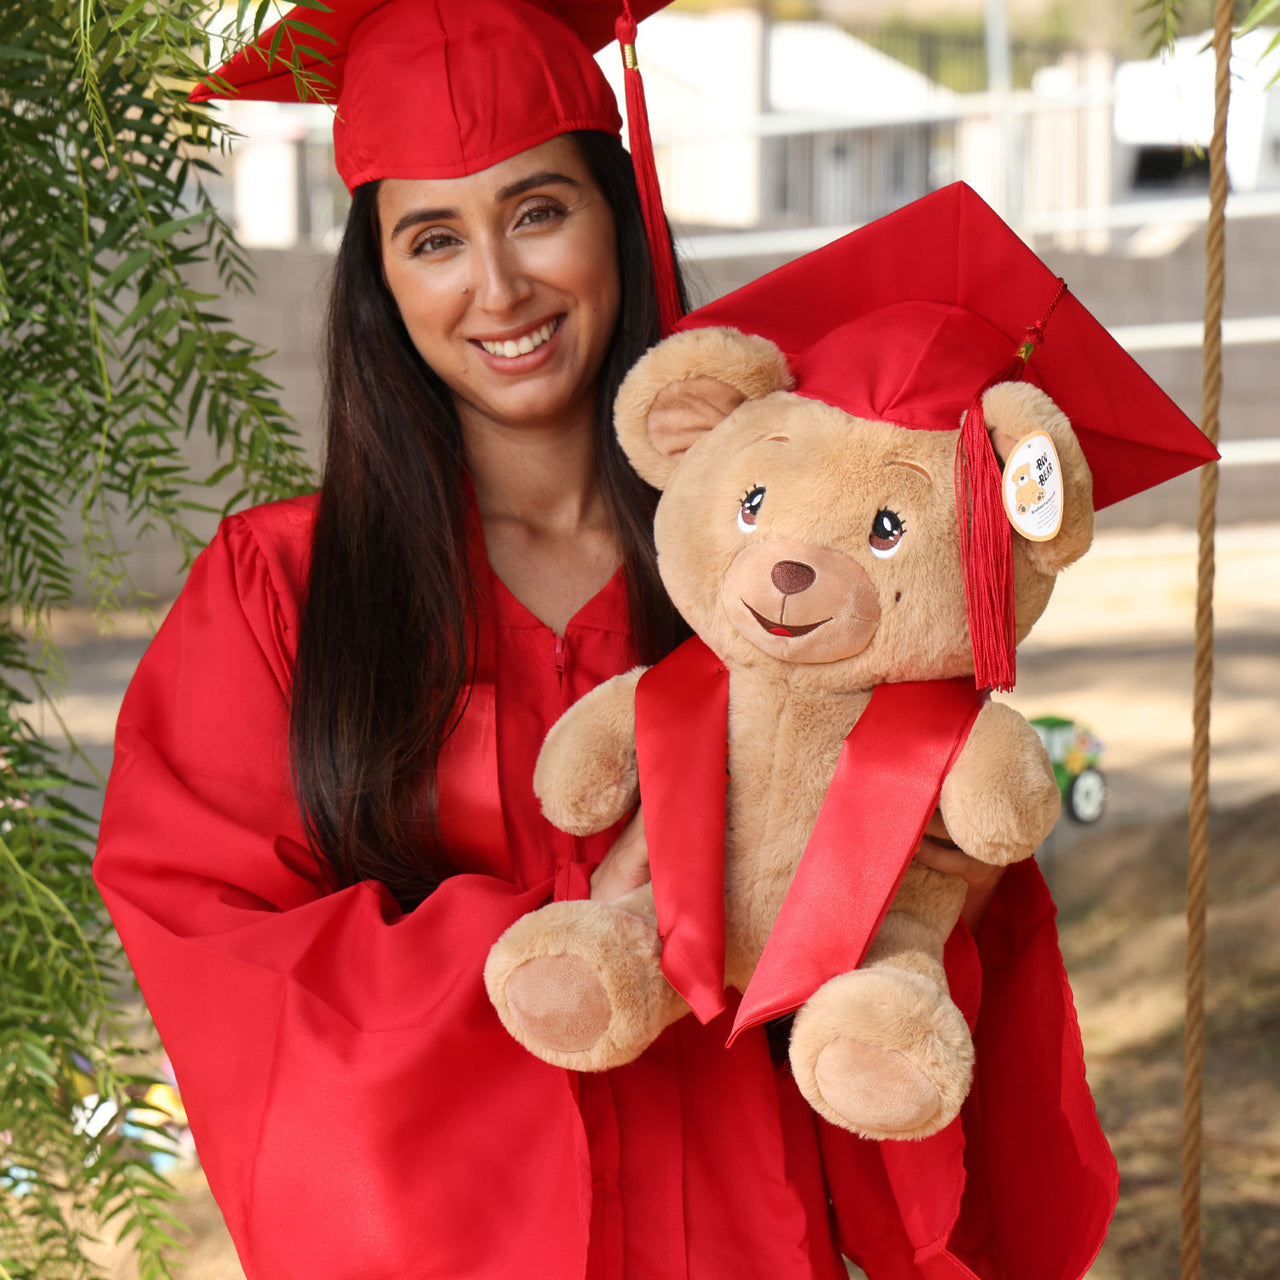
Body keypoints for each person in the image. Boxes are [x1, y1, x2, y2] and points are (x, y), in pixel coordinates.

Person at [93, 2, 1138, 1277]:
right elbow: (220, 943)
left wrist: (903, 877)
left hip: (748, 1229)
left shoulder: (765, 560)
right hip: (459, 1240)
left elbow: (931, 923)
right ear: (380, 279)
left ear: (619, 221)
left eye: (538, 210)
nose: (498, 286)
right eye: (432, 238)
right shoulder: (281, 589)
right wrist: (562, 931)